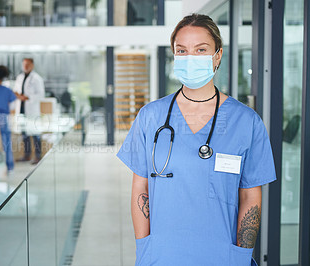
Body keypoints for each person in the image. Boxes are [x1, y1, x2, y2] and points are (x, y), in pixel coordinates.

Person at [117, 14, 276, 266]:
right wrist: (144, 248)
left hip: (222, 256)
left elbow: (250, 197)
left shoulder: (246, 122)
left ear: (218, 56)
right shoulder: (151, 116)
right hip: (161, 255)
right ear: (174, 56)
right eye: (182, 50)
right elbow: (141, 187)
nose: (190, 58)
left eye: (201, 49)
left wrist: (241, 256)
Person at [13, 58, 45, 165]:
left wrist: (27, 97)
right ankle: (26, 155)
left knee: (35, 134)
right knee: (24, 134)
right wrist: (17, 95)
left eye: (27, 64)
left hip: (32, 110)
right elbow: (16, 90)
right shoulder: (20, 77)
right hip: (21, 109)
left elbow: (41, 95)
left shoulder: (36, 78)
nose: (25, 66)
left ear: (32, 65)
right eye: (24, 64)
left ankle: (37, 156)